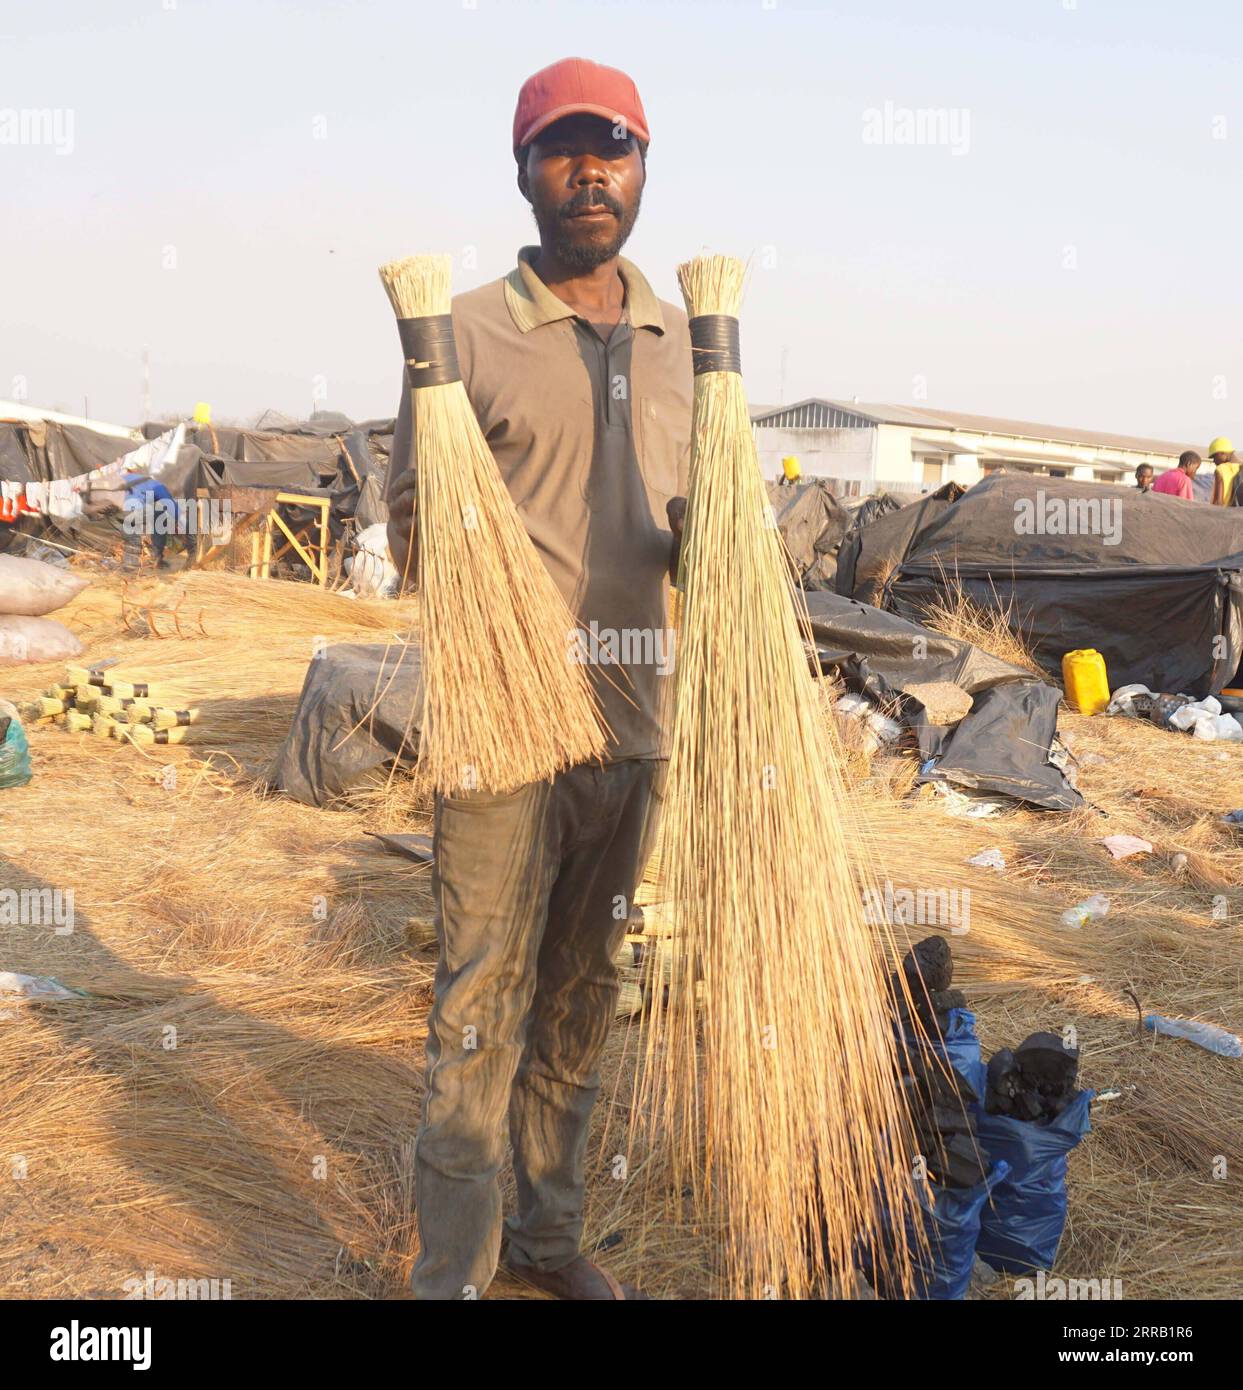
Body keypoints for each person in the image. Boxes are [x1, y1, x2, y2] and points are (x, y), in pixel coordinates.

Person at [385, 57, 691, 1301]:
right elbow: (413, 530)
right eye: (562, 148)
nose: (589, 171)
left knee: (580, 997)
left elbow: (709, 522)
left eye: (611, 146)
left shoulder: (689, 342)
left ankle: (549, 1239)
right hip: (502, 731)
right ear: (522, 172)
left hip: (637, 727)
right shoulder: (459, 331)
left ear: (641, 166)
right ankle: (453, 1267)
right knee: (477, 1003)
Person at [1207, 437, 1241, 506]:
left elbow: (1218, 502)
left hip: (1224, 514)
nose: (1214, 461)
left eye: (1214, 456)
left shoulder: (1221, 469)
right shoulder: (1241, 467)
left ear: (1222, 453)